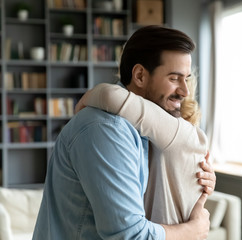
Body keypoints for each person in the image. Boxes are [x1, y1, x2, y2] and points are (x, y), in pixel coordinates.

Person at [33, 25, 215, 240]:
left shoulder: (146, 129)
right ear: (139, 76)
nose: (184, 91)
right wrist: (192, 231)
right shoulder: (107, 129)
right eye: (174, 78)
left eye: (186, 79)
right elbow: (129, 236)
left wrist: (196, 179)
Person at [75, 74, 209, 225]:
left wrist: (88, 96)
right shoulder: (169, 136)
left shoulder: (176, 131)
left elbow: (110, 96)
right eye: (173, 78)